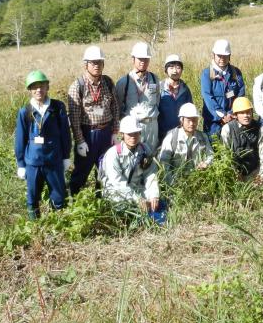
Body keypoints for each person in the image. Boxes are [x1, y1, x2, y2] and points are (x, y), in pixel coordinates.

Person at [14, 70, 72, 219]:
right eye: (34, 87)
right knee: (33, 198)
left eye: (42, 86)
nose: (38, 90)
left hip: (54, 159)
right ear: (30, 90)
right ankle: (36, 228)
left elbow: (65, 133)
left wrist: (66, 156)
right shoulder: (25, 111)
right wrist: (21, 164)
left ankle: (59, 225)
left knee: (59, 196)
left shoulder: (57, 107)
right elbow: (20, 139)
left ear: (47, 87)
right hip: (33, 162)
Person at [66, 45, 120, 195]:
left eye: (99, 62)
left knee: (105, 169)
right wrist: (80, 141)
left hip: (106, 133)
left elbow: (115, 107)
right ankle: (73, 199)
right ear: (86, 64)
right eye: (93, 63)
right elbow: (75, 118)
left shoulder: (108, 82)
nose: (96, 66)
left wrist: (115, 132)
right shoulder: (77, 86)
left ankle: (102, 199)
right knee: (81, 171)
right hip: (88, 134)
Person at [99, 115, 163, 222]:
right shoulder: (113, 154)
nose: (133, 137)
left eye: (136, 133)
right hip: (116, 191)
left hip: (136, 188)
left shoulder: (145, 149)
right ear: (122, 135)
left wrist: (154, 195)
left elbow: (151, 174)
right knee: (124, 208)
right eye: (129, 134)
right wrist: (137, 199)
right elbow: (117, 183)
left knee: (154, 202)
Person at [115, 42, 162, 154]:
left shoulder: (155, 79)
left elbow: (157, 101)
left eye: (146, 59)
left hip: (151, 126)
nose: (143, 61)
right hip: (133, 128)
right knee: (133, 157)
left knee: (151, 157)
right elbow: (117, 107)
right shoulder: (124, 82)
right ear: (133, 59)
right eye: (140, 58)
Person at [200, 39, 246, 143]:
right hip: (213, 121)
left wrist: (231, 113)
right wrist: (222, 116)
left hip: (233, 118)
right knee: (214, 149)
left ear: (229, 56)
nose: (222, 58)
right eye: (219, 55)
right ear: (213, 55)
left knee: (233, 148)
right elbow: (208, 97)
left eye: (225, 56)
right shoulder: (207, 73)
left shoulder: (236, 72)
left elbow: (240, 93)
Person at [158, 102, 213, 183]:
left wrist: (206, 164)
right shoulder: (171, 137)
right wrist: (172, 184)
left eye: (194, 120)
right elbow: (164, 162)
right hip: (176, 182)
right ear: (181, 120)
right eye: (188, 120)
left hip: (198, 181)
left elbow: (211, 155)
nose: (191, 123)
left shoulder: (203, 137)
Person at [221, 96, 263, 184]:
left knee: (262, 196)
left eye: (248, 112)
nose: (246, 115)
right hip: (235, 173)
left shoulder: (261, 128)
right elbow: (226, 156)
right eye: (242, 113)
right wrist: (234, 174)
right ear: (235, 115)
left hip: (255, 172)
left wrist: (261, 177)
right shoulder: (227, 129)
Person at [158, 54, 194, 140]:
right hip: (162, 134)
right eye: (171, 68)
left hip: (181, 134)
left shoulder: (185, 90)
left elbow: (190, 112)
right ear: (166, 70)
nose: (175, 71)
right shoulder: (159, 88)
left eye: (178, 67)